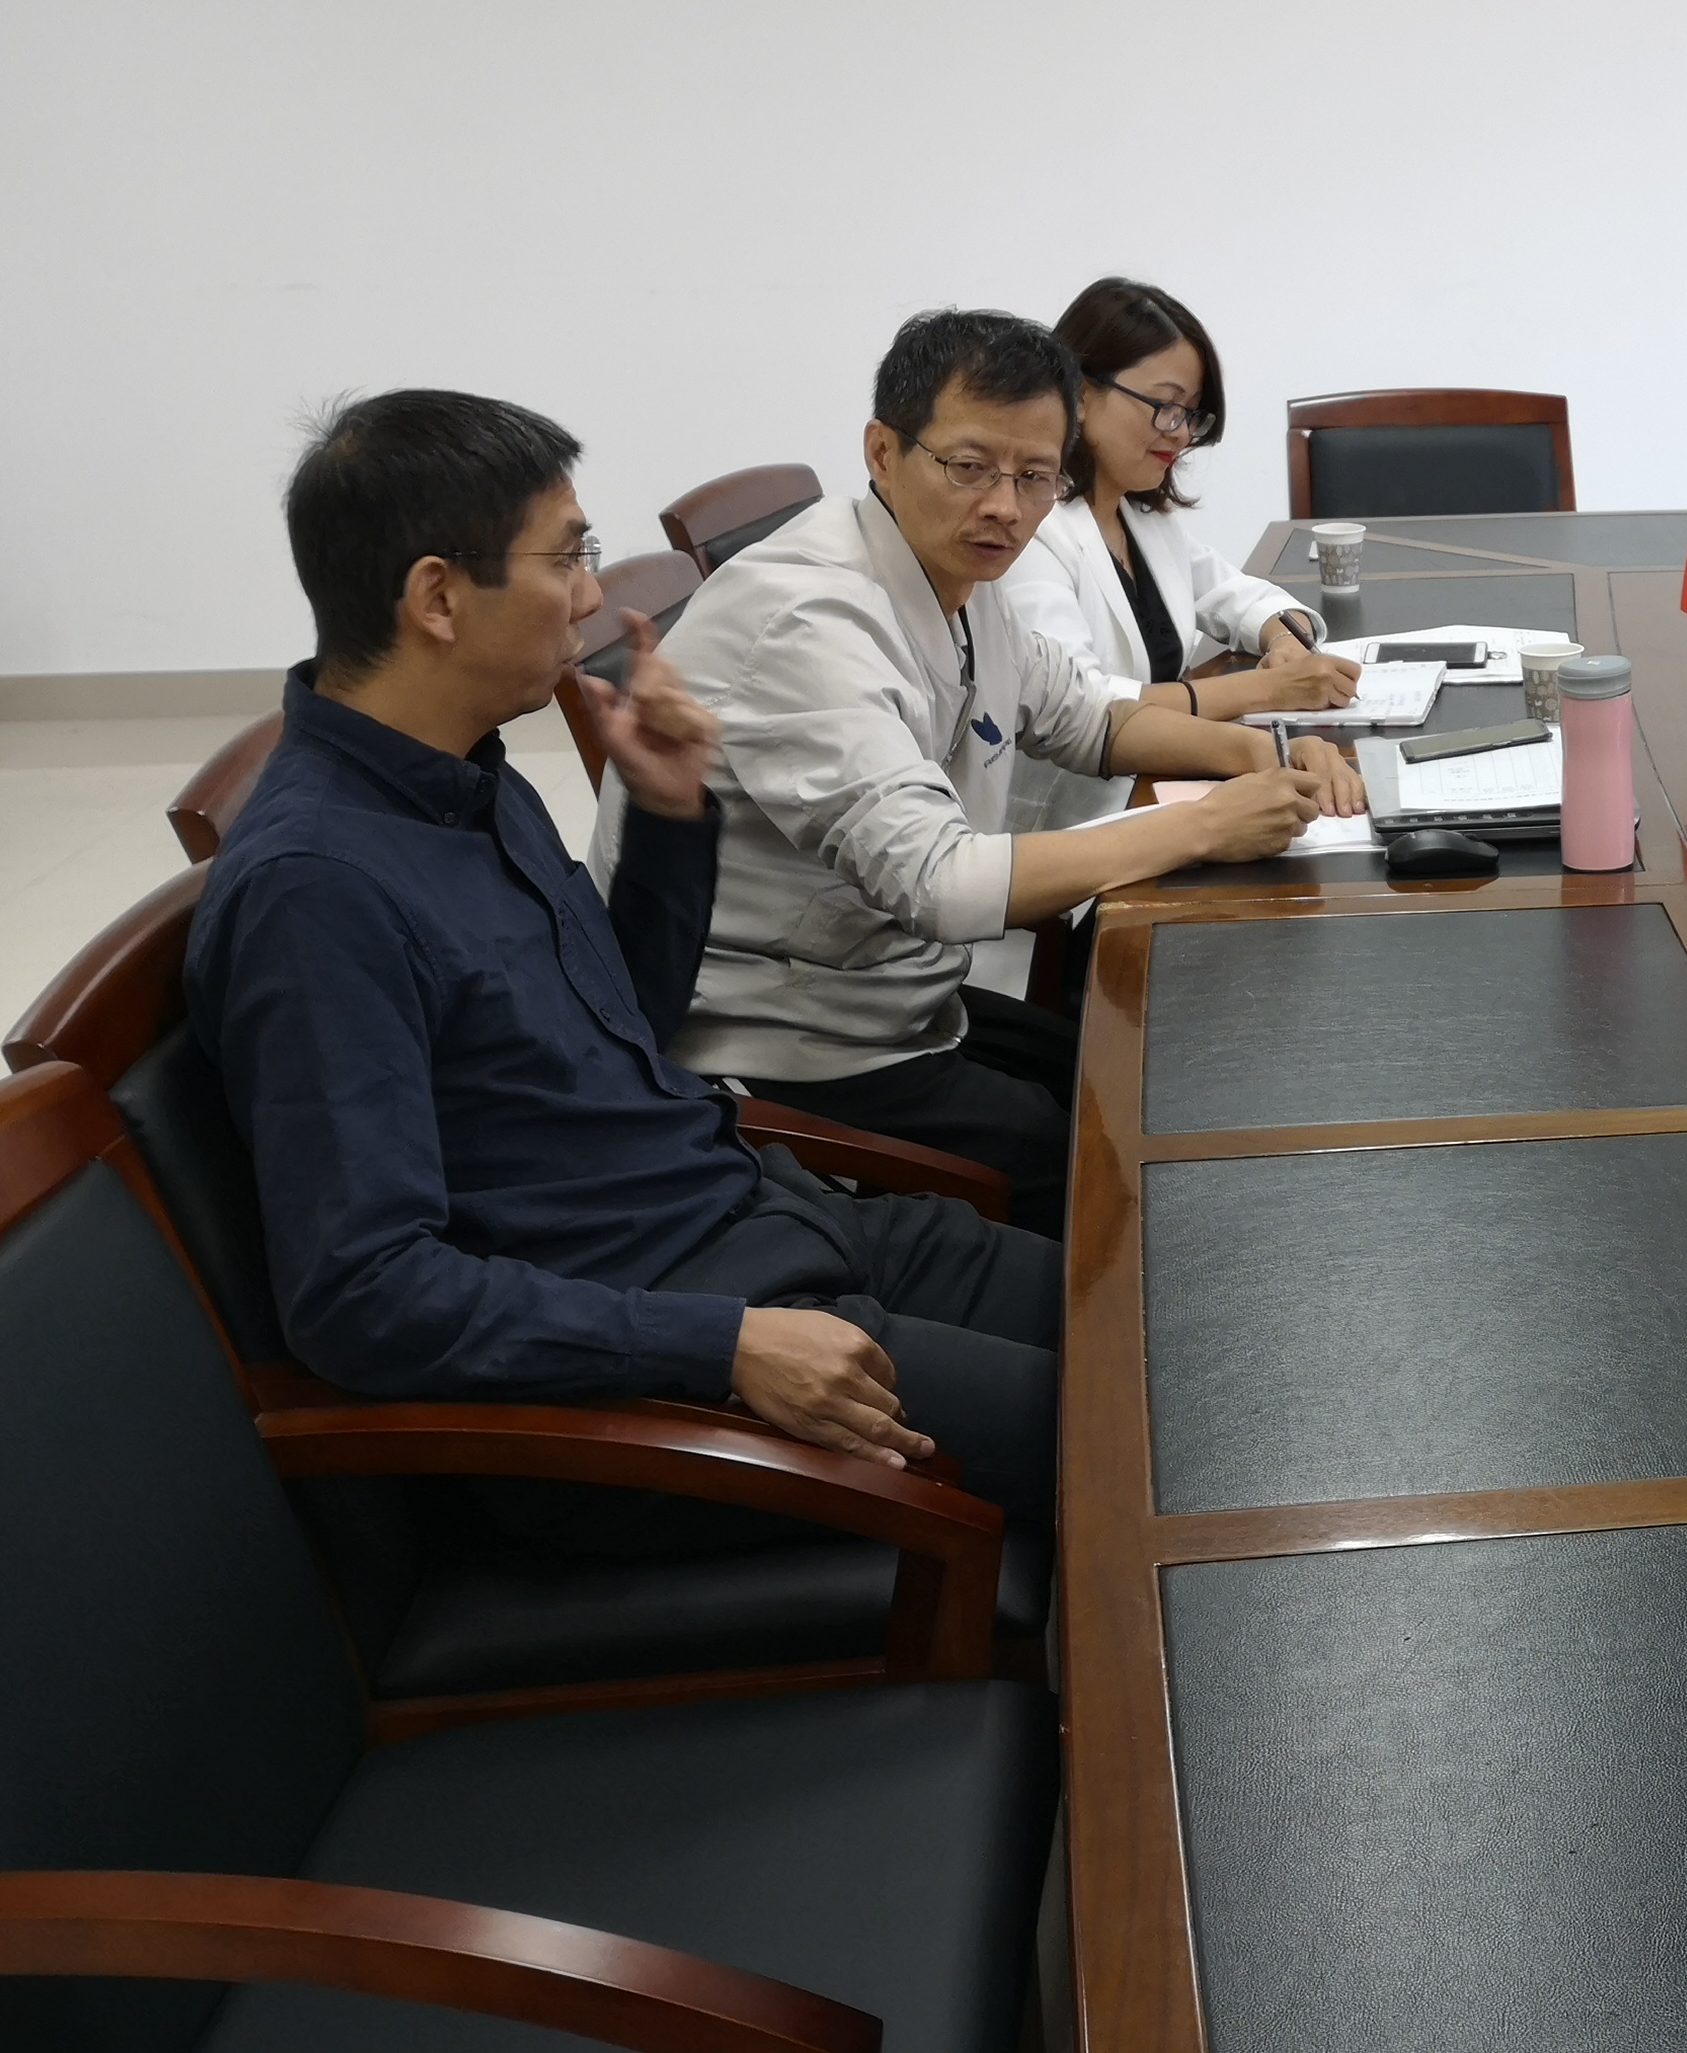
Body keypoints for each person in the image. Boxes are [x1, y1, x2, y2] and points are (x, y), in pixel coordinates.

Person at [190, 389, 1058, 1515]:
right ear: (438, 597)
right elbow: (363, 1296)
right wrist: (720, 1345)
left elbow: (621, 1038)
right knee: (1133, 1432)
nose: (592, 595)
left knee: (1153, 1303)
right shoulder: (317, 891)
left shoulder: (464, 777)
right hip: (660, 1362)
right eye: (566, 558)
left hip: (765, 1225)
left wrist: (668, 816)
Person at [629, 309, 1364, 1233]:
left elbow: (1086, 715)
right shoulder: (808, 620)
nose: (1006, 507)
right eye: (970, 467)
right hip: (795, 1043)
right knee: (1135, 1171)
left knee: (1164, 1081)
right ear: (883, 452)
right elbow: (942, 883)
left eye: (1034, 476)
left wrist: (1263, 752)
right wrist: (1206, 824)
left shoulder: (956, 581)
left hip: (903, 995)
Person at [1004, 276, 1361, 836]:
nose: (1179, 433)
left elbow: (1236, 595)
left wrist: (1284, 642)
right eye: (1164, 406)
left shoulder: (1139, 518)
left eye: (1191, 414)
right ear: (1080, 392)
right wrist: (1269, 691)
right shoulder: (1030, 532)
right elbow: (1082, 708)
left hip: (1159, 793)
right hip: (1070, 828)